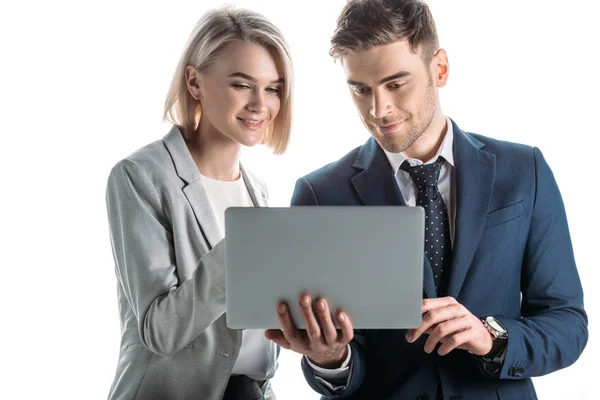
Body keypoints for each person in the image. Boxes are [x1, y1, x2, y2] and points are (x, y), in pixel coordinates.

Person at [265, 1, 587, 399]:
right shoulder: (320, 194)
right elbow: (331, 359)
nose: (378, 109)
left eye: (396, 84)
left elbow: (567, 324)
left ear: (440, 69)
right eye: (361, 89)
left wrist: (492, 337)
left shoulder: (524, 170)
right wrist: (331, 359)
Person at [105, 6, 293, 400]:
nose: (261, 103)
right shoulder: (140, 176)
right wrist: (239, 255)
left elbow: (251, 342)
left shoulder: (258, 190)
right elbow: (159, 330)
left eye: (273, 88)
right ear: (194, 82)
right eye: (242, 85)